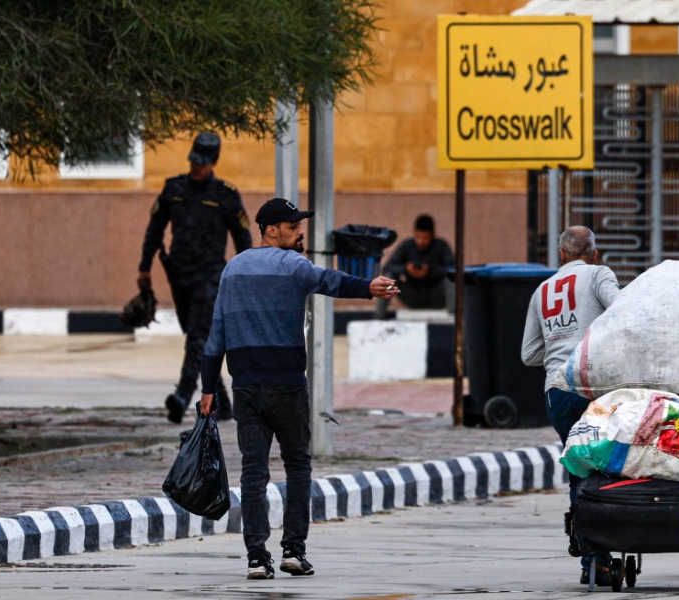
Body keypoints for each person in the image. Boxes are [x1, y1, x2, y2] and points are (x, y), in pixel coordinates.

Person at [198, 197, 398, 579]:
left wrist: (209, 387)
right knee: (297, 466)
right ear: (271, 230)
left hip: (245, 388)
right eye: (293, 227)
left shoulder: (233, 269)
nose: (300, 231)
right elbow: (331, 281)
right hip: (288, 385)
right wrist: (369, 288)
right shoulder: (294, 265)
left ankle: (257, 557)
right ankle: (293, 550)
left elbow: (216, 335)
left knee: (254, 473)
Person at [521, 225, 619, 586]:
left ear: (561, 255)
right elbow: (621, 311)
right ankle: (607, 544)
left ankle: (592, 558)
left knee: (580, 467)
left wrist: (560, 344)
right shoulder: (599, 274)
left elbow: (529, 354)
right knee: (611, 467)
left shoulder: (542, 290)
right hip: (596, 388)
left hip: (558, 391)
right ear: (593, 253)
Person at [139, 132, 252, 423]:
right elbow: (154, 229)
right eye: (194, 161)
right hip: (180, 276)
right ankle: (224, 403)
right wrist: (144, 267)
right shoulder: (173, 188)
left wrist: (245, 277)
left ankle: (182, 395)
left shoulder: (225, 195)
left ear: (214, 162)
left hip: (210, 276)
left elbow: (243, 240)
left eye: (202, 163)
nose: (196, 167)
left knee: (197, 338)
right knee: (198, 338)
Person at [374, 214, 454, 318]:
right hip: (412, 295)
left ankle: (454, 317)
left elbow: (453, 271)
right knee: (388, 278)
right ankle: (378, 317)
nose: (421, 241)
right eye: (418, 237)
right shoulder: (407, 246)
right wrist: (406, 269)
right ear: (414, 233)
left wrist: (430, 271)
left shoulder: (442, 246)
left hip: (436, 296)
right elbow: (388, 267)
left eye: (425, 238)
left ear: (433, 234)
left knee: (452, 279)